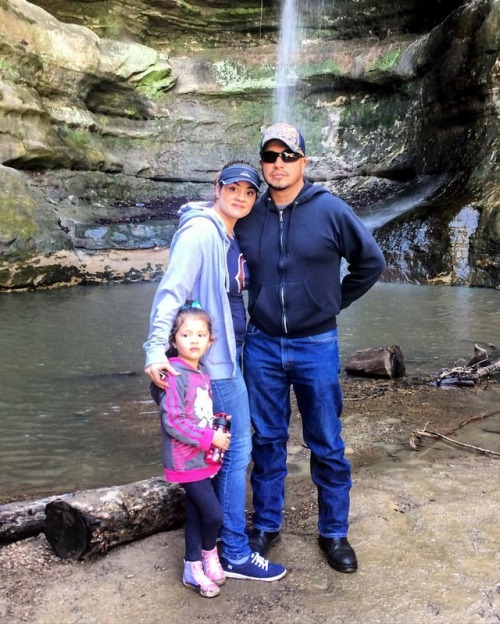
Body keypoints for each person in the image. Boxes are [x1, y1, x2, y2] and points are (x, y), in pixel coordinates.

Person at [235, 123, 386, 573]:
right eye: (270, 157)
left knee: (326, 441)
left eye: (287, 156)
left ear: (303, 161)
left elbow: (370, 262)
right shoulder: (250, 215)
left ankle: (334, 533)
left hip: (315, 343)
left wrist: (332, 302)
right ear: (262, 164)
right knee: (267, 440)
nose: (278, 164)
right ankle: (265, 525)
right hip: (261, 344)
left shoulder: (331, 210)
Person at [144, 162, 287, 583]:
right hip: (216, 367)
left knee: (221, 455)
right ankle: (235, 552)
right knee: (237, 451)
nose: (240, 196)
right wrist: (155, 348)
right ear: (216, 189)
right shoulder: (201, 232)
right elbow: (171, 291)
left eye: (248, 191)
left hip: (231, 357)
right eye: (232, 188)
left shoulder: (226, 233)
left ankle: (210, 549)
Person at [150, 302, 230, 598]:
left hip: (202, 458)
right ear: (173, 341)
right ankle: (208, 556)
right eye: (186, 335)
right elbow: (172, 421)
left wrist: (216, 428)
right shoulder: (174, 374)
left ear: (211, 340)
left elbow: (197, 413)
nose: (194, 340)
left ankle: (193, 568)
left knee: (197, 514)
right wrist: (211, 439)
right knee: (213, 514)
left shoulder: (202, 373)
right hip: (186, 461)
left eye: (200, 334)